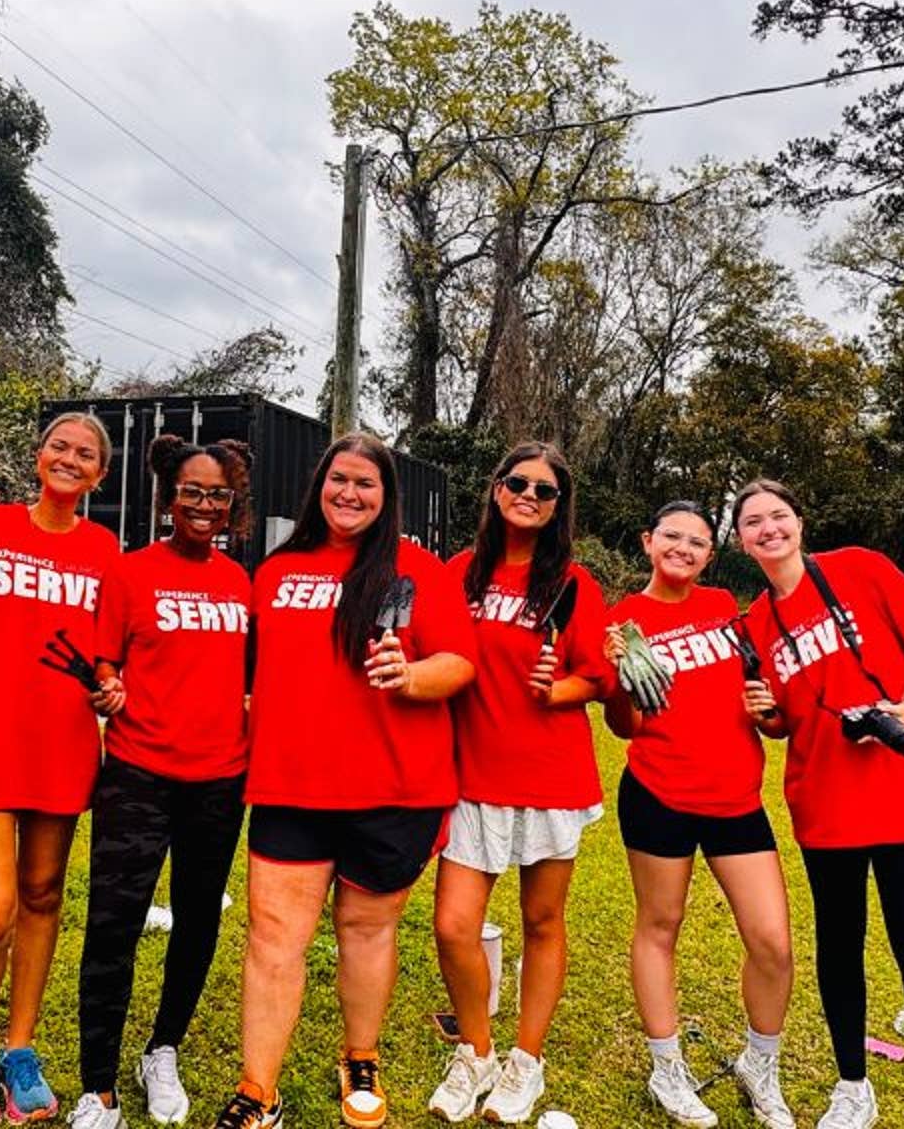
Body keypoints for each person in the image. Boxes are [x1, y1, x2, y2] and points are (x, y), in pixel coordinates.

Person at [206, 433, 478, 1129]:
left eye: (366, 483)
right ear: (318, 488)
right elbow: (251, 669)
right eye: (338, 480)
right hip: (291, 785)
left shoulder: (416, 570)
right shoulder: (277, 569)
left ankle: (360, 1054)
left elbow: (459, 664)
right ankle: (257, 1089)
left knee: (366, 931)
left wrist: (411, 675)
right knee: (273, 938)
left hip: (394, 788)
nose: (349, 494)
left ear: (387, 497)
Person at [732, 479, 904, 1129]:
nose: (768, 529)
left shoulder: (860, 569)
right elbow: (785, 723)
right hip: (825, 802)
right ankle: (852, 1087)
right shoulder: (754, 622)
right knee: (840, 947)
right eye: (753, 522)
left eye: (778, 515)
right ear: (742, 540)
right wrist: (766, 715)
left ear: (800, 522)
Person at [0, 411, 123, 1129]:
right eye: (59, 447)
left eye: (84, 455)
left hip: (62, 741)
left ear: (99, 475)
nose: (69, 460)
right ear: (38, 455)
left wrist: (111, 685)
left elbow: (106, 653)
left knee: (43, 893)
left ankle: (21, 1049)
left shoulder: (104, 549)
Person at [71, 434, 257, 1129]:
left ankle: (163, 1050)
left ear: (233, 502)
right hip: (138, 775)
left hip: (220, 779)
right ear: (168, 497)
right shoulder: (130, 572)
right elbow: (104, 662)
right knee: (113, 927)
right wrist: (107, 685)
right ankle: (100, 1087)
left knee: (198, 923)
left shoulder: (240, 581)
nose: (204, 505)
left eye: (218, 494)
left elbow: (248, 677)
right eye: (192, 492)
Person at [426, 443, 610, 1124]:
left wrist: (554, 687)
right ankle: (475, 1054)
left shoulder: (572, 583)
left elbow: (594, 676)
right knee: (452, 927)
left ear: (559, 506)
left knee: (541, 922)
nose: (529, 494)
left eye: (545, 488)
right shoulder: (459, 575)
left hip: (549, 774)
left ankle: (524, 1064)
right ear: (496, 490)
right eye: (518, 481)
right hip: (471, 773)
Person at [601, 501, 796, 1129]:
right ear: (648, 542)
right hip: (658, 793)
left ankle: (759, 1065)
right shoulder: (621, 622)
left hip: (736, 799)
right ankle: (668, 1069)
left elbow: (766, 711)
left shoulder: (725, 611)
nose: (683, 548)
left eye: (698, 542)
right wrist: (622, 679)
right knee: (660, 927)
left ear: (711, 556)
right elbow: (623, 728)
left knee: (772, 942)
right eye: (672, 537)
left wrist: (768, 710)